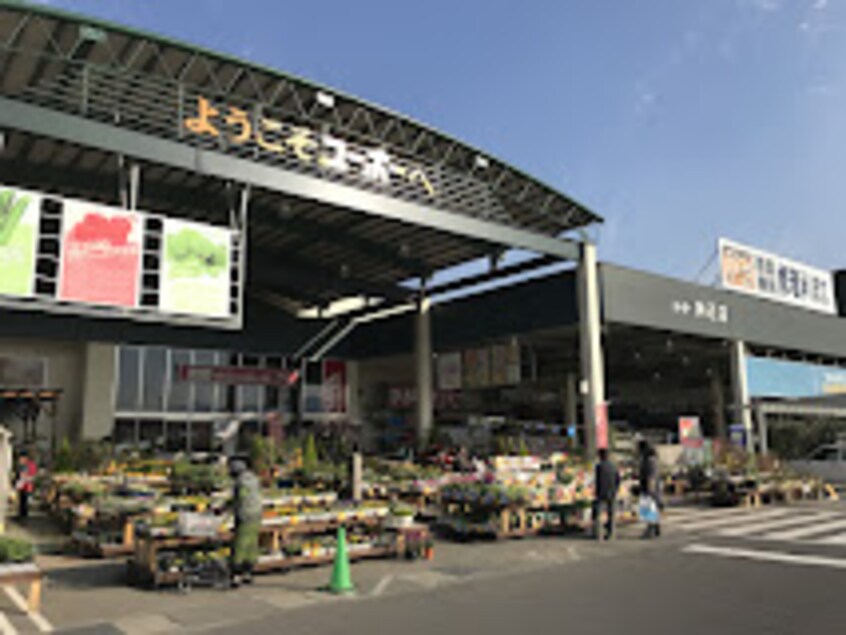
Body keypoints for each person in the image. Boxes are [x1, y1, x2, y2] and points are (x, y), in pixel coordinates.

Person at [229, 457, 262, 587]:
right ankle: (248, 573)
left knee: (240, 544)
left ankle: (236, 575)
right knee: (252, 544)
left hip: (245, 515)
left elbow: (240, 499)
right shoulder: (253, 479)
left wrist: (227, 508)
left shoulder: (241, 482)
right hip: (257, 515)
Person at [592, 447, 620, 541]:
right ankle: (612, 534)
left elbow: (597, 481)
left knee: (599, 514)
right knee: (611, 514)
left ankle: (599, 534)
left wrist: (596, 492)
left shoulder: (599, 467)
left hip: (601, 493)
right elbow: (618, 479)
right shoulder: (614, 466)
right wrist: (616, 489)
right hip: (612, 492)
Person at [638, 440, 662, 538]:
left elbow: (650, 477)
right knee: (652, 509)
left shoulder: (649, 461)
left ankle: (651, 531)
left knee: (649, 510)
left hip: (649, 489)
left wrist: (649, 490)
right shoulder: (652, 459)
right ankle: (656, 529)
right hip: (653, 489)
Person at [15, 452, 36, 521]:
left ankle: (24, 514)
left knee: (25, 499)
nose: (20, 460)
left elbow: (29, 475)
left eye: (21, 458)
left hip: (26, 484)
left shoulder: (28, 465)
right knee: (22, 499)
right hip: (23, 484)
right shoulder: (23, 465)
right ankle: (23, 513)